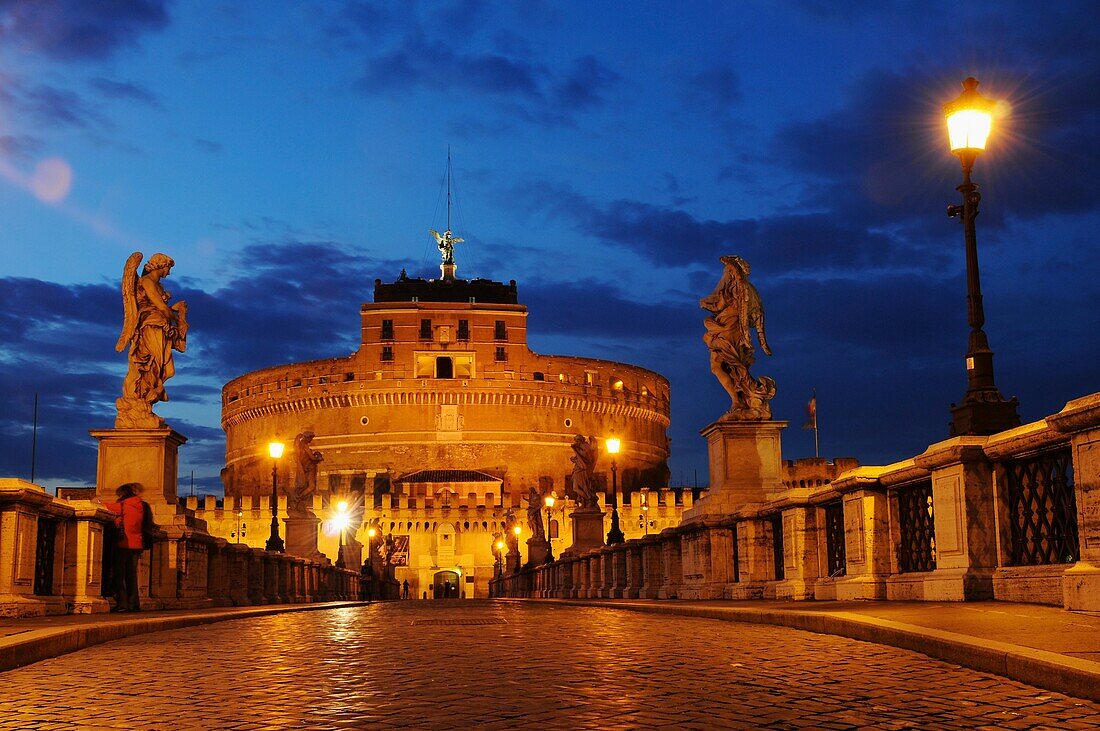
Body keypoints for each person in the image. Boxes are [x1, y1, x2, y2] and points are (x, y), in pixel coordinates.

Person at [103, 482, 147, 612]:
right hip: (137, 544)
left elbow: (105, 506)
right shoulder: (139, 506)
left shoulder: (123, 506)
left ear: (122, 494)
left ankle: (122, 603)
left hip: (123, 544)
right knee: (131, 575)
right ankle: (134, 603)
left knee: (118, 574)